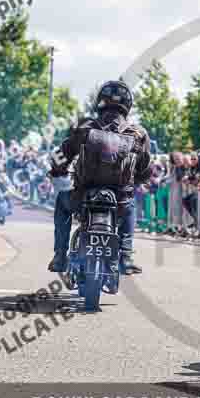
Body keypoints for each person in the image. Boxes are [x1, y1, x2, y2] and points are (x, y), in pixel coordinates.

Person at [48, 80, 151, 276]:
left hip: (83, 195)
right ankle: (126, 257)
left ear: (100, 101)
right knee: (130, 206)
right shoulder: (138, 133)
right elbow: (145, 169)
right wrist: (134, 182)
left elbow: (61, 155)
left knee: (62, 202)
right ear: (128, 105)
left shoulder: (84, 126)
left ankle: (60, 256)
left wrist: (56, 171)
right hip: (120, 199)